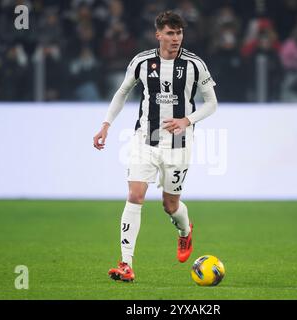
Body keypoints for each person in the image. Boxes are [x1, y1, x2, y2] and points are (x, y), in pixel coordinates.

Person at [93, 11, 218, 282]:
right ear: (158, 34)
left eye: (179, 33)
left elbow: (212, 103)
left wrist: (187, 119)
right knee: (135, 195)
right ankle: (126, 264)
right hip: (144, 141)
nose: (176, 38)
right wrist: (106, 125)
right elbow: (122, 92)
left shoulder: (195, 65)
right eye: (170, 33)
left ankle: (185, 232)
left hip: (178, 146)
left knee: (170, 204)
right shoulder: (141, 61)